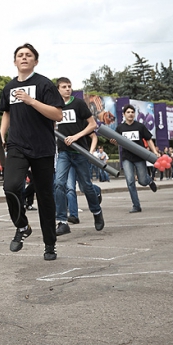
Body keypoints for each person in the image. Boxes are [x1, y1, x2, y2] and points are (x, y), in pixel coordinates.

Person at [0, 43, 63, 260]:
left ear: (35, 61)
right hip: (17, 145)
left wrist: (31, 101)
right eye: (20, 55)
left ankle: (49, 245)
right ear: (15, 61)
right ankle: (22, 225)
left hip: (43, 147)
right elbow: (6, 114)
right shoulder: (8, 88)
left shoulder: (44, 84)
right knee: (10, 186)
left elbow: (57, 115)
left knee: (45, 197)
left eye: (28, 55)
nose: (24, 58)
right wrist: (0, 136)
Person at [53, 77, 104, 236]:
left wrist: (76, 137)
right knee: (59, 184)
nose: (67, 89)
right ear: (58, 89)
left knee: (86, 186)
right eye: (64, 87)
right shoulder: (55, 107)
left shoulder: (78, 104)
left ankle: (96, 212)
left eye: (69, 86)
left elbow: (93, 124)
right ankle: (62, 221)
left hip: (80, 151)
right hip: (63, 153)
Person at [110, 104, 160, 213]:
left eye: (132, 112)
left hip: (139, 156)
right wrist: (114, 143)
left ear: (135, 114)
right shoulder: (120, 128)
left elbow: (149, 139)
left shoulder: (140, 126)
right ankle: (136, 205)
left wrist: (155, 152)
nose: (130, 114)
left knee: (142, 181)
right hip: (127, 157)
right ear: (124, 114)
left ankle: (149, 180)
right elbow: (116, 142)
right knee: (130, 181)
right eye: (128, 112)